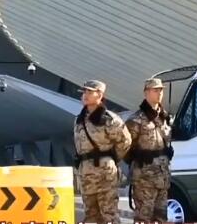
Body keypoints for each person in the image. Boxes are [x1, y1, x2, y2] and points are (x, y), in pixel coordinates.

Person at [74, 80, 132, 224]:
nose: (85, 95)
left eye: (89, 92)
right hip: (86, 173)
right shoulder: (79, 120)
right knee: (91, 216)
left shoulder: (109, 119)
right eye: (84, 92)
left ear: (99, 95)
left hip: (105, 173)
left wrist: (110, 158)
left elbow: (125, 141)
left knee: (109, 214)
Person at [125, 78, 174, 223]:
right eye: (155, 90)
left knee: (161, 218)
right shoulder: (136, 119)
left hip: (162, 177)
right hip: (144, 179)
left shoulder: (165, 117)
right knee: (143, 218)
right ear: (146, 92)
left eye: (161, 90)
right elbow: (124, 146)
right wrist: (138, 157)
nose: (159, 93)